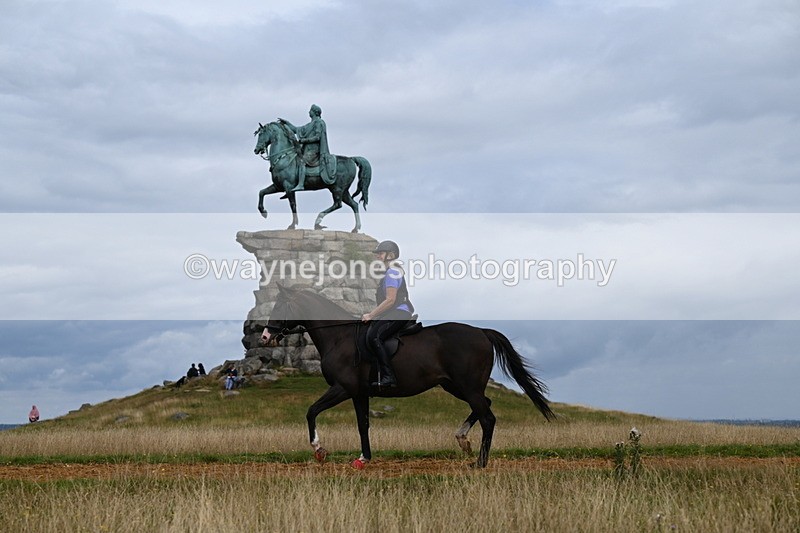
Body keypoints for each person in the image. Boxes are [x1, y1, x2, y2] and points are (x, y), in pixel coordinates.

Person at [361, 240, 415, 387]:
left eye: (381, 253)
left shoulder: (392, 272)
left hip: (400, 312)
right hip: (395, 312)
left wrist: (371, 315)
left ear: (390, 255)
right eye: (378, 253)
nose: (378, 256)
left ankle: (389, 376)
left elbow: (390, 300)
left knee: (374, 336)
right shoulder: (389, 273)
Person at [278, 104, 331, 193]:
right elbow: (296, 129)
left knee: (302, 162)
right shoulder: (310, 124)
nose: (309, 112)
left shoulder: (319, 122)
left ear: (314, 112)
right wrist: (287, 123)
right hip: (307, 150)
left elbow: (318, 137)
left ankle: (301, 184)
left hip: (314, 151)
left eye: (310, 110)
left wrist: (304, 140)